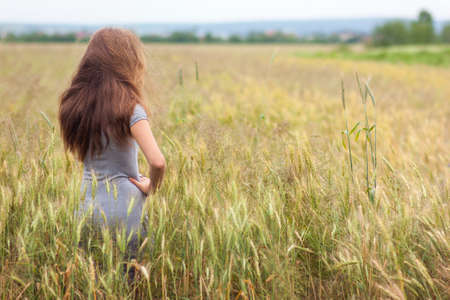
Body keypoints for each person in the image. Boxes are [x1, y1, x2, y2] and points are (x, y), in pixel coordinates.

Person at [58, 28, 166, 256]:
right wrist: (151, 187)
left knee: (93, 284)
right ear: (129, 62)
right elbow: (157, 162)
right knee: (130, 281)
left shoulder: (74, 106)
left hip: (85, 208)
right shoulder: (130, 108)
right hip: (125, 209)